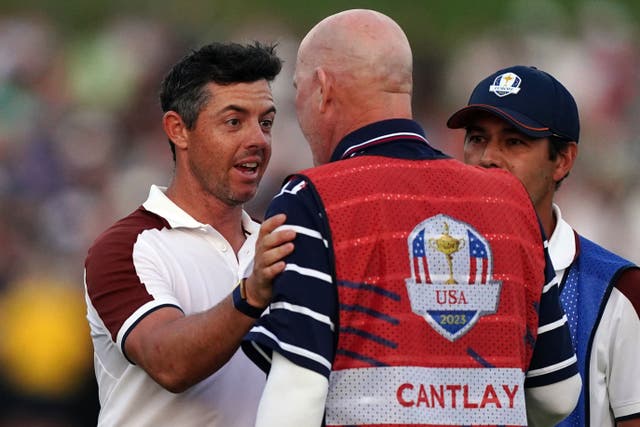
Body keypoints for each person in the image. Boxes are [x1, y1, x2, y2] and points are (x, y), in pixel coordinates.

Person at [242, 10, 581, 427]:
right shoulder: (511, 201)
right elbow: (557, 393)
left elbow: (297, 393)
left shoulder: (311, 199)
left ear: (322, 89)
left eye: (296, 88)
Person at [83, 41, 296, 427]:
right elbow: (169, 363)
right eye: (234, 122)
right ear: (177, 129)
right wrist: (252, 294)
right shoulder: (126, 247)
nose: (258, 140)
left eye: (265, 122)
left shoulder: (277, 243)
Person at [447, 65, 640, 426]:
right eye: (476, 139)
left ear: (563, 160)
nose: (487, 157)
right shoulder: (423, 267)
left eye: (513, 141)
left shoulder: (619, 291)